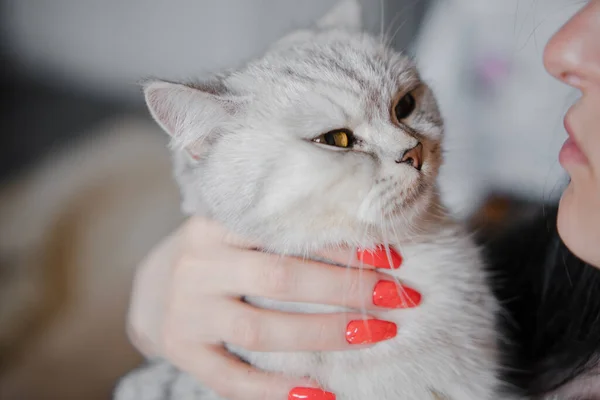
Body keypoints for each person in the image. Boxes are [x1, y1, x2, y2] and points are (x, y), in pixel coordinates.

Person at [125, 1, 600, 399]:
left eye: (405, 107)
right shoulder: (553, 253)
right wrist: (153, 312)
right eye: (338, 138)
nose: (407, 148)